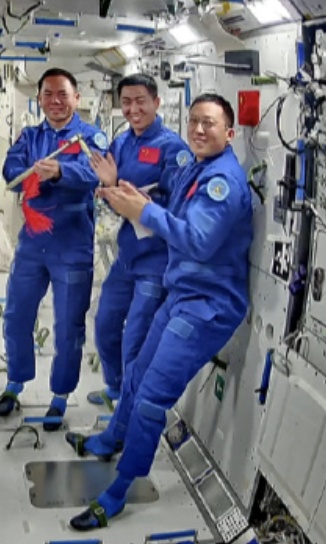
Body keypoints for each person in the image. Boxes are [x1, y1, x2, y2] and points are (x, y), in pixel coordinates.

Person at [69, 93, 253, 530]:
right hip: (181, 293)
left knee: (152, 396)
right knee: (135, 373)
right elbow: (175, 215)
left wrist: (145, 211)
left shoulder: (223, 183)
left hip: (207, 307)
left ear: (230, 133)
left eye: (209, 123)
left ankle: (120, 489)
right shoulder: (195, 168)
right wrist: (136, 199)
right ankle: (111, 439)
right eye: (194, 121)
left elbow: (199, 241)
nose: (199, 130)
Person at [0, 68, 107, 431]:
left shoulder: (90, 137)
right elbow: (10, 169)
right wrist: (30, 172)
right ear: (39, 99)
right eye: (48, 95)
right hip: (32, 241)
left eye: (63, 94)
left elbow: (96, 175)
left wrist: (60, 172)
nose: (55, 101)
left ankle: (60, 395)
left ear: (76, 98)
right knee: (16, 316)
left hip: (71, 243)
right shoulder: (31, 136)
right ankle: (16, 381)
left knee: (68, 325)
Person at [82, 75, 190, 416]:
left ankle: (131, 409)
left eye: (140, 101)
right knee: (104, 325)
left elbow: (180, 209)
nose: (133, 109)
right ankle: (116, 388)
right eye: (126, 102)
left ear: (156, 102)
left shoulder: (173, 149)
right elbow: (110, 192)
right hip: (127, 255)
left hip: (156, 262)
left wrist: (135, 199)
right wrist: (108, 188)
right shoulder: (122, 142)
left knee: (136, 340)